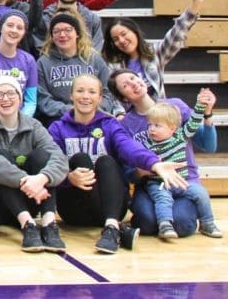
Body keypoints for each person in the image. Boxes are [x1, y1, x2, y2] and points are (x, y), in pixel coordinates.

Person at [48, 74, 188, 254]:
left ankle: (112, 229)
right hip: (74, 209)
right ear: (71, 95)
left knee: (106, 161)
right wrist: (68, 178)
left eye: (92, 92)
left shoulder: (110, 124)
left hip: (111, 206)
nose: (85, 96)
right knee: (80, 159)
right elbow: (50, 163)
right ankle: (120, 230)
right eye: (80, 91)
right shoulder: (57, 128)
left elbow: (129, 147)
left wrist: (155, 164)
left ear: (99, 98)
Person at [109, 69, 218, 237]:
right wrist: (144, 170)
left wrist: (207, 113)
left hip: (184, 179)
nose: (133, 84)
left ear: (142, 79)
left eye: (133, 78)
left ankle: (204, 221)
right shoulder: (125, 125)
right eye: (125, 85)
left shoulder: (176, 106)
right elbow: (129, 172)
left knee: (183, 225)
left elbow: (208, 146)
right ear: (124, 98)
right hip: (151, 184)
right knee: (147, 222)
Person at [0, 76, 69, 253]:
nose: (5, 99)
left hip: (29, 200)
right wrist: (28, 181)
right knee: (1, 157)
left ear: (20, 97)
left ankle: (48, 223)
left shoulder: (34, 126)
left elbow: (59, 158)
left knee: (41, 157)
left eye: (10, 93)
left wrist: (42, 178)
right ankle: (28, 225)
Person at [103, 0, 205, 102]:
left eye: (124, 34)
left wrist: (195, 4)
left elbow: (177, 33)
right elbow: (112, 97)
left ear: (134, 32)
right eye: (116, 39)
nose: (122, 40)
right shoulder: (113, 65)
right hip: (131, 117)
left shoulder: (155, 52)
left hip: (159, 114)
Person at [140, 102, 221, 239]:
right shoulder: (145, 142)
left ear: (172, 128)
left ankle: (207, 222)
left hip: (180, 180)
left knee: (200, 193)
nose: (152, 129)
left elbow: (194, 122)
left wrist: (201, 105)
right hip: (157, 182)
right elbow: (137, 156)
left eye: (157, 125)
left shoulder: (180, 137)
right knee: (163, 198)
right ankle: (165, 225)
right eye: (150, 125)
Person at [36, 12, 117, 125]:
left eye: (68, 30)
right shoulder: (43, 62)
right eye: (56, 31)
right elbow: (43, 99)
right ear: (52, 36)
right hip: (60, 122)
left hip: (95, 119)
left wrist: (93, 110)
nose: (62, 35)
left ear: (77, 33)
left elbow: (108, 92)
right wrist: (72, 111)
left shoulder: (94, 59)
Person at [0, 10, 38, 117]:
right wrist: (3, 116)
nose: (14, 30)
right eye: (10, 25)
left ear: (24, 33)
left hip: (21, 120)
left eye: (19, 28)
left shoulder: (29, 61)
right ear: (1, 28)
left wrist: (18, 119)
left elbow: (31, 102)